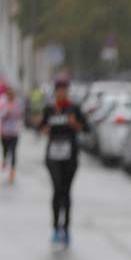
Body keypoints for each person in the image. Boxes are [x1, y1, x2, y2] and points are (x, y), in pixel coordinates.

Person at [40, 77, 89, 246]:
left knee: (67, 192)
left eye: (64, 89)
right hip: (53, 156)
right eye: (59, 89)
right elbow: (41, 127)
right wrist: (43, 129)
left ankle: (66, 228)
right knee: (57, 189)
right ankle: (55, 228)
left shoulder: (73, 108)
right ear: (56, 91)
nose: (62, 92)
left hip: (70, 156)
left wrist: (75, 125)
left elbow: (87, 128)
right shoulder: (50, 109)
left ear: (67, 91)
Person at [0, 86, 23, 183]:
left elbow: (21, 114)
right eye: (9, 94)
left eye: (12, 94)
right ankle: (4, 160)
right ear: (7, 94)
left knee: (14, 152)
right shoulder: (2, 102)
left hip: (14, 132)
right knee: (5, 150)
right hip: (5, 132)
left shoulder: (18, 103)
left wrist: (15, 113)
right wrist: (6, 112)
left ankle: (12, 171)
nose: (11, 95)